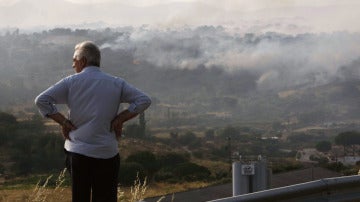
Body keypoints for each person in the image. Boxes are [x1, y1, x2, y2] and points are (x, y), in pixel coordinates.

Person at [35, 41, 151, 202]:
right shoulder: (116, 83)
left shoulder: (71, 82)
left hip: (78, 152)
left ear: (82, 61)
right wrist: (120, 119)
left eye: (74, 60)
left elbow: (41, 100)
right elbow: (144, 100)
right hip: (107, 153)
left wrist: (63, 122)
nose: (72, 64)